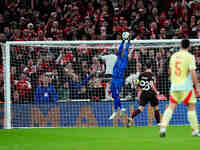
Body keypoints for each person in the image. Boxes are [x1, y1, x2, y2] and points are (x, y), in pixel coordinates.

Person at [160, 39, 200, 137]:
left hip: (174, 86)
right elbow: (193, 72)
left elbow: (169, 71)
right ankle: (195, 130)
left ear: (180, 45)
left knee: (170, 107)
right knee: (191, 107)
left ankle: (163, 128)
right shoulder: (190, 57)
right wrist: (197, 86)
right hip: (186, 87)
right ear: (189, 46)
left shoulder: (173, 56)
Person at [126, 60, 161, 127]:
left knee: (140, 108)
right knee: (156, 108)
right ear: (151, 66)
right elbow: (151, 84)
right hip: (151, 93)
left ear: (145, 67)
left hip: (144, 93)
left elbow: (137, 84)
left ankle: (131, 117)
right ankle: (159, 123)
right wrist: (156, 91)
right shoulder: (152, 75)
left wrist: (136, 87)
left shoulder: (141, 75)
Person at [109, 32, 131, 120]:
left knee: (117, 95)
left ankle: (115, 111)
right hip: (113, 79)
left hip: (119, 80)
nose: (121, 52)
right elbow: (120, 49)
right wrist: (123, 41)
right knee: (114, 95)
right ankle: (121, 108)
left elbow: (126, 49)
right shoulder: (118, 57)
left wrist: (128, 42)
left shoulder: (124, 59)